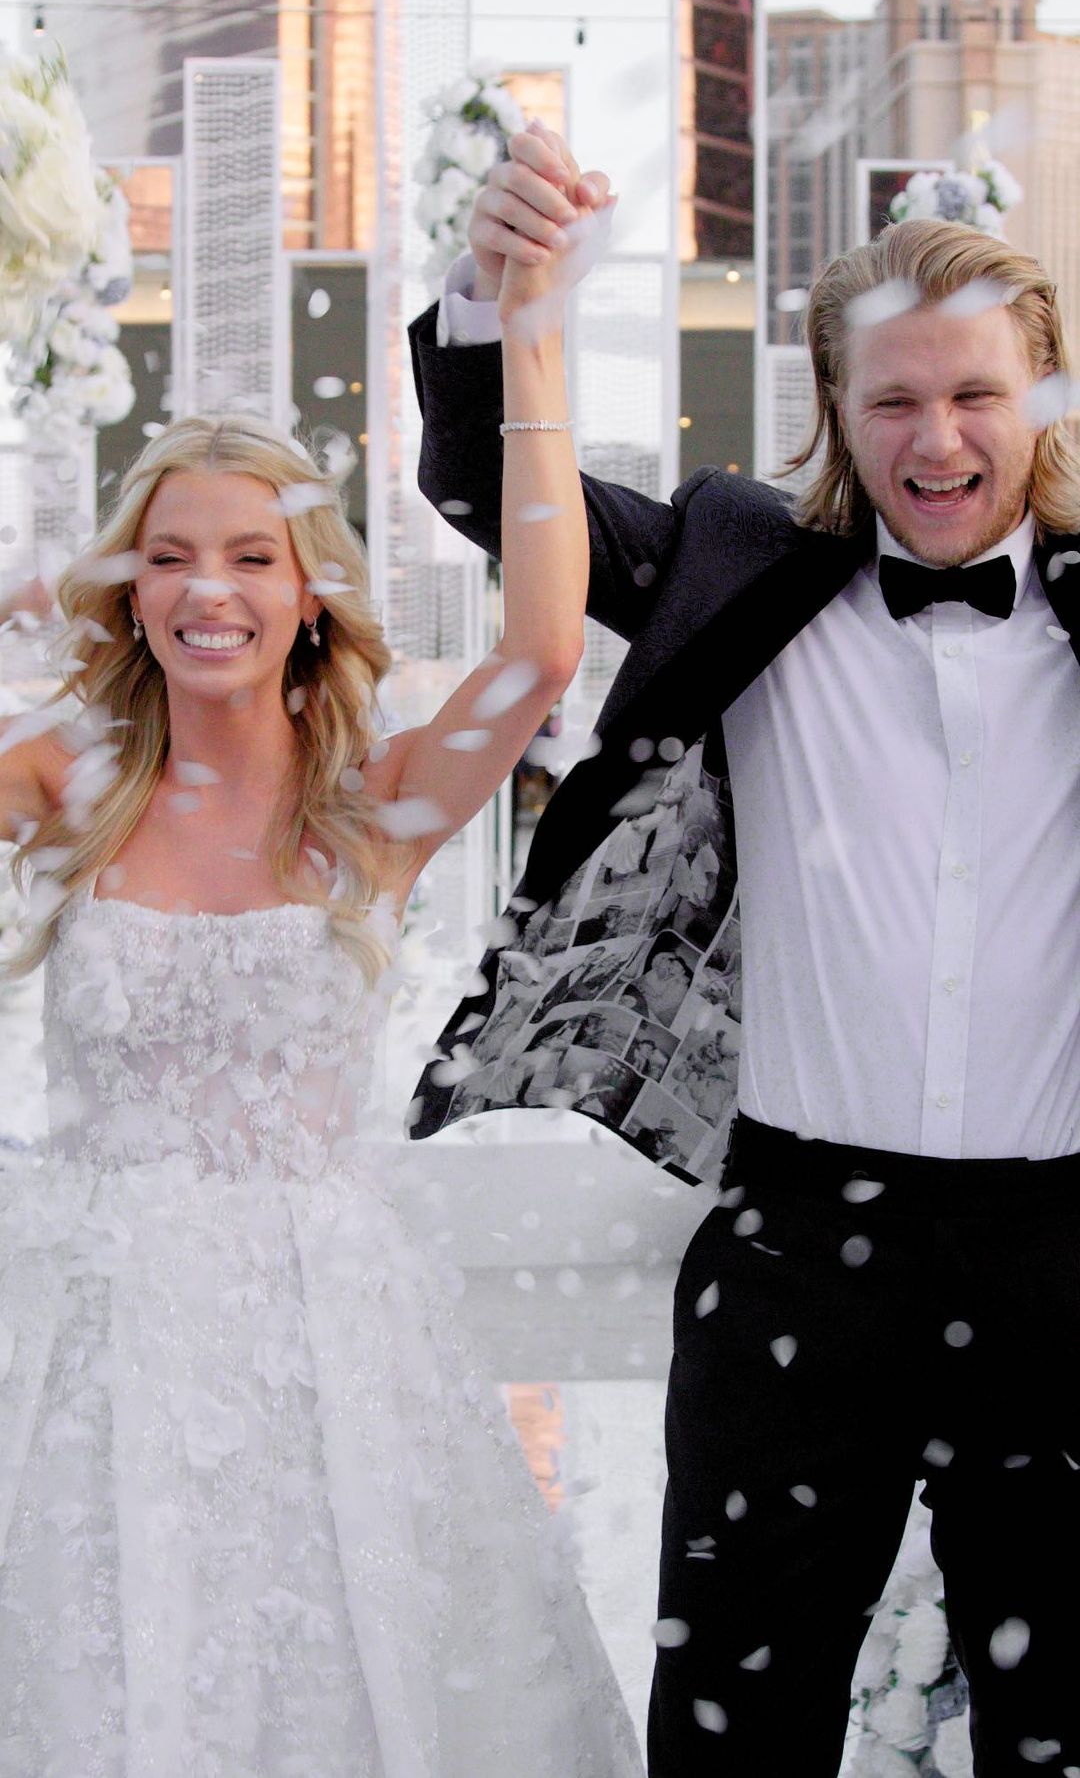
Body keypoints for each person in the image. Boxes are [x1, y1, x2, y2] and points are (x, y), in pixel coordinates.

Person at [405, 124, 1080, 1776]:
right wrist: (495, 296)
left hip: (1065, 1262)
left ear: (1045, 396)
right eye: (893, 399)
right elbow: (493, 487)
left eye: (976, 393)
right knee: (731, 1735)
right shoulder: (736, 568)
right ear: (837, 408)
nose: (936, 437)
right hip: (795, 1251)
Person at [0, 126, 644, 1778]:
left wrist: (530, 327)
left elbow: (542, 647)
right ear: (128, 587)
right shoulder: (60, 776)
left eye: (249, 555)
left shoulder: (378, 805)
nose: (205, 589)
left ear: (309, 593)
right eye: (168, 554)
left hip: (328, 1343)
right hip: (93, 1346)